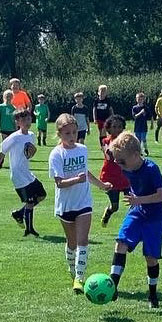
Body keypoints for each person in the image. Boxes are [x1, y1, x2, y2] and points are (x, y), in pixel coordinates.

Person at [48, 113, 112, 293]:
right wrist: (76, 179)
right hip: (66, 205)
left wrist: (101, 185)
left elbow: (86, 173)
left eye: (74, 132)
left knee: (83, 241)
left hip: (84, 202)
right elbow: (59, 182)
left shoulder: (82, 149)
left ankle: (79, 278)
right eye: (67, 133)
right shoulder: (56, 154)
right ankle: (72, 267)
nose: (71, 137)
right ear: (59, 134)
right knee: (72, 242)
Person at [108, 132, 162, 309]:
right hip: (137, 211)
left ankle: (152, 294)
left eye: (122, 161)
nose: (120, 165)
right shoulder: (127, 167)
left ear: (136, 155)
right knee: (121, 242)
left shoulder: (151, 168)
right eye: (117, 161)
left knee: (151, 257)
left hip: (155, 216)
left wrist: (138, 199)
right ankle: (112, 285)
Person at [0, 109, 46, 237]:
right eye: (23, 120)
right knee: (30, 202)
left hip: (27, 173)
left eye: (28, 119)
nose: (27, 122)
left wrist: (34, 151)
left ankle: (19, 214)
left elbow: (29, 154)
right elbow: (1, 153)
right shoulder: (14, 138)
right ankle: (29, 229)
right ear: (17, 122)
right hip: (18, 175)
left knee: (42, 194)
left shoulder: (31, 135)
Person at [100, 114, 131, 228]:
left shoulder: (127, 141)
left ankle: (132, 225)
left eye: (120, 127)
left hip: (125, 176)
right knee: (115, 207)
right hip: (111, 177)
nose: (117, 130)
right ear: (109, 128)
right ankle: (108, 213)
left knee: (133, 202)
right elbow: (108, 156)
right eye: (114, 127)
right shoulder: (106, 141)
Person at [0, 89, 16, 168]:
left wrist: (16, 130)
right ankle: (0, 163)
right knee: (4, 147)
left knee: (12, 148)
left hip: (12, 130)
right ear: (4, 97)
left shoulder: (13, 108)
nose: (8, 98)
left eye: (10, 96)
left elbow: (15, 120)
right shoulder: (1, 107)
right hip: (3, 129)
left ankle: (13, 163)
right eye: (7, 96)